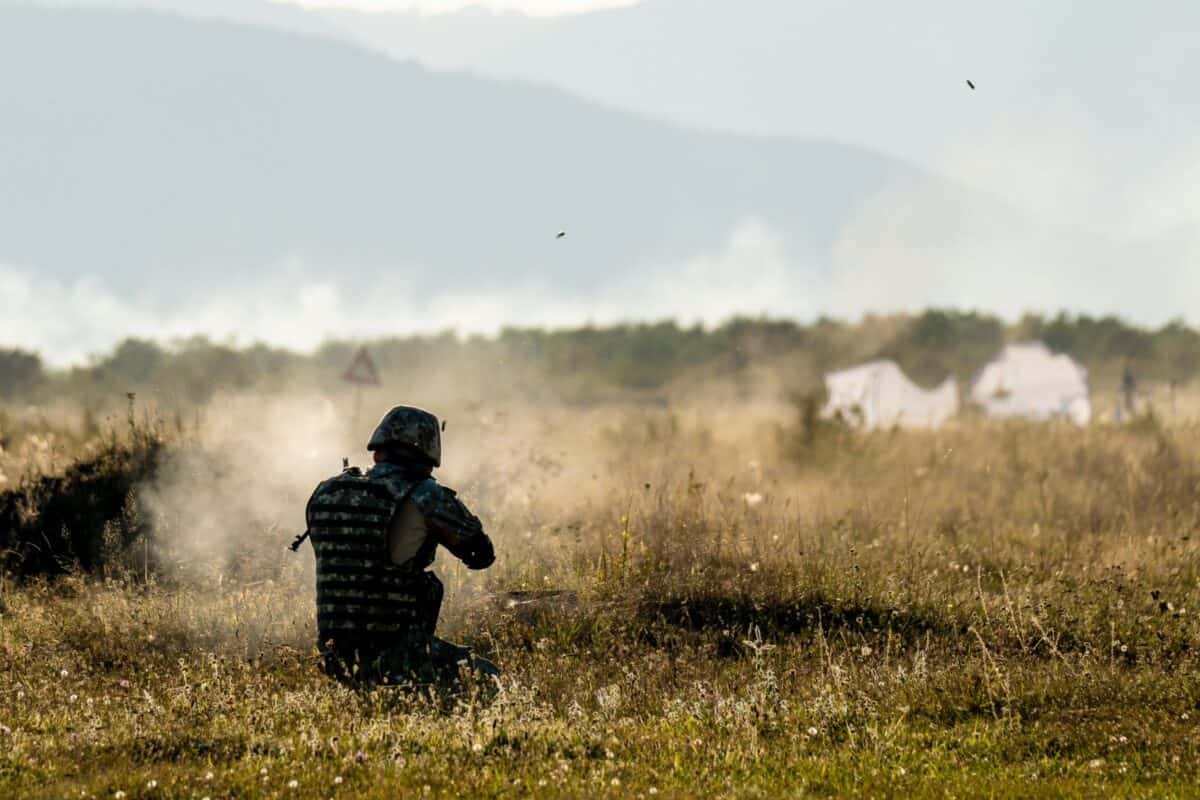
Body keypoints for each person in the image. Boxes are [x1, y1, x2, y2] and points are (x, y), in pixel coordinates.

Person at [304, 405, 497, 688]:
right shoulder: (425, 494)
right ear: (428, 454)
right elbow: (481, 554)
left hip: (334, 656)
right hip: (395, 653)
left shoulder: (326, 491)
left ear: (377, 449)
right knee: (487, 678)